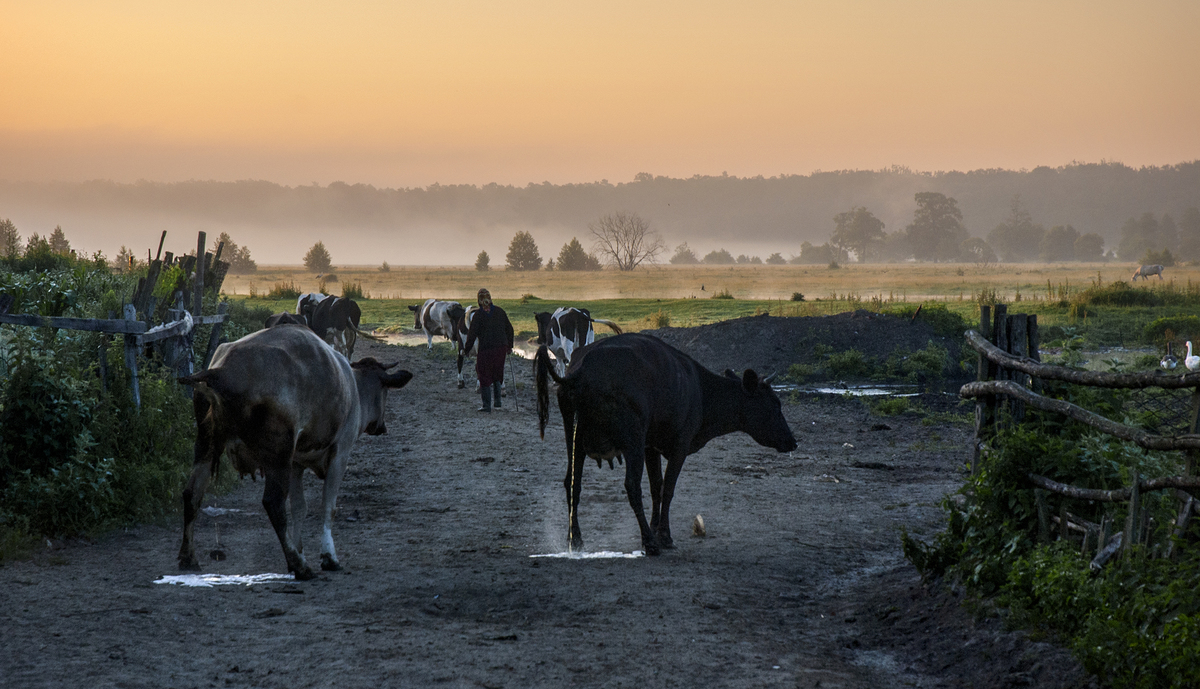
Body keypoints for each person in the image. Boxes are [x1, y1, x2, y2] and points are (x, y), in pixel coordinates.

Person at [462, 288, 514, 412]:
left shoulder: (478, 315)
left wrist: (466, 349)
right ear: (490, 298)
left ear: (479, 301)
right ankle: (497, 402)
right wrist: (509, 346)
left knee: (483, 373)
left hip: (486, 349)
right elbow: (510, 329)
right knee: (497, 372)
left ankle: (486, 405)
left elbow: (472, 335)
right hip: (501, 348)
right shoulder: (500, 312)